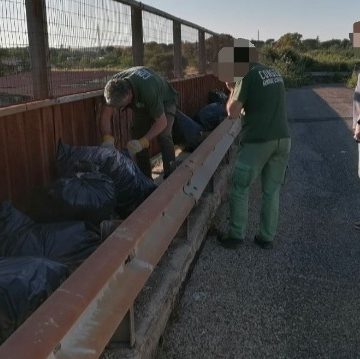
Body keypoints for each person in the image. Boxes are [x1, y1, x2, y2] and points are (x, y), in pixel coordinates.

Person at [217, 47, 291, 250]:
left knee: (240, 186)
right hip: (283, 139)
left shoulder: (245, 76)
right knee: (271, 190)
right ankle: (266, 237)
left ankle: (236, 235)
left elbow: (232, 112)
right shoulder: (274, 72)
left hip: (258, 142)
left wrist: (231, 89)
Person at [101, 66, 178, 179]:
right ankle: (145, 181)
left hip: (166, 100)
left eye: (121, 106)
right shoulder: (113, 87)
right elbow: (106, 115)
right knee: (138, 135)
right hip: (142, 103)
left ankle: (171, 175)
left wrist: (142, 142)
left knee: (164, 135)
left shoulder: (148, 90)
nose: (118, 109)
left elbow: (162, 122)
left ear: (129, 95)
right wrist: (107, 139)